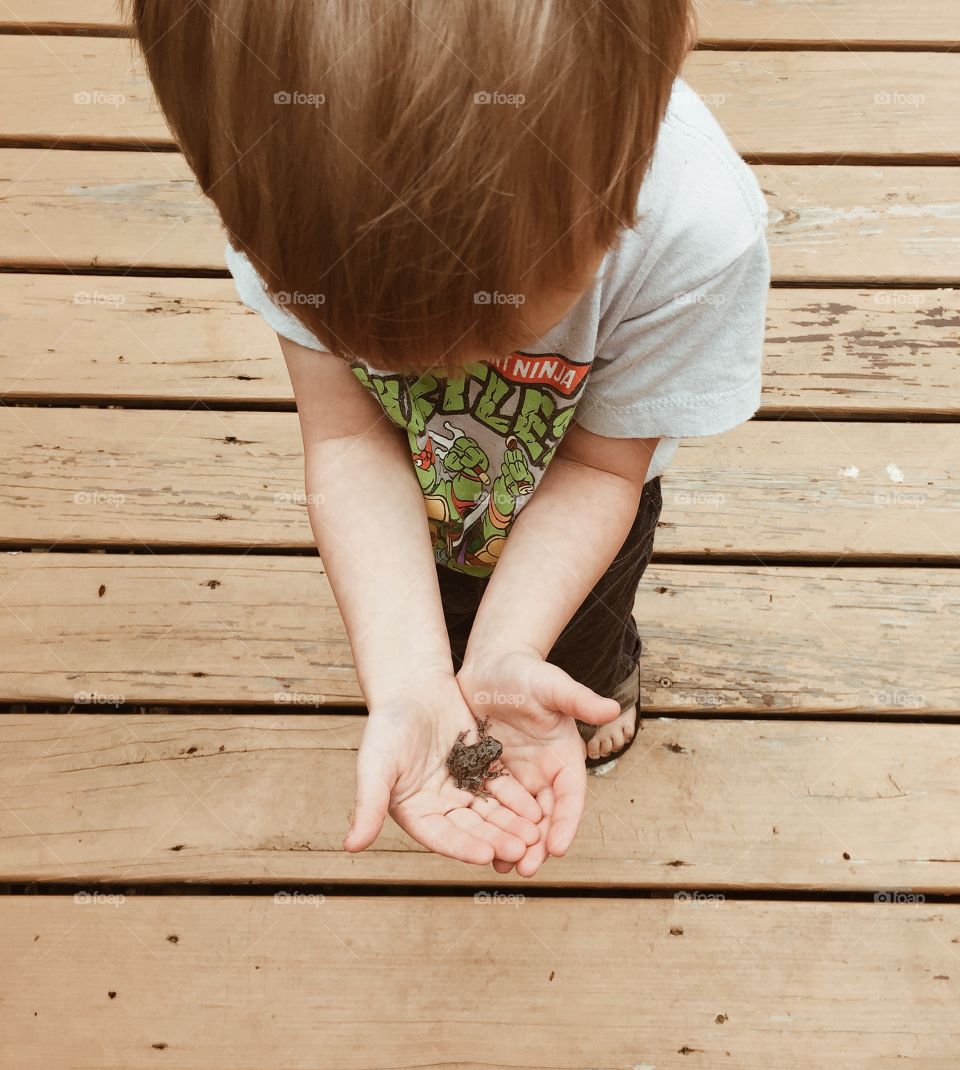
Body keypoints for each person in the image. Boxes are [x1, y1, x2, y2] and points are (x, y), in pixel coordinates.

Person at [127, 0, 769, 876]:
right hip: (410, 486)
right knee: (419, 601)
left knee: (583, 630)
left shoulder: (694, 234)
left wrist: (508, 649)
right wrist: (404, 673)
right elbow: (352, 441)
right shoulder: (282, 187)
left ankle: (601, 672)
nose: (442, 368)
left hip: (577, 490)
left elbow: (597, 465)